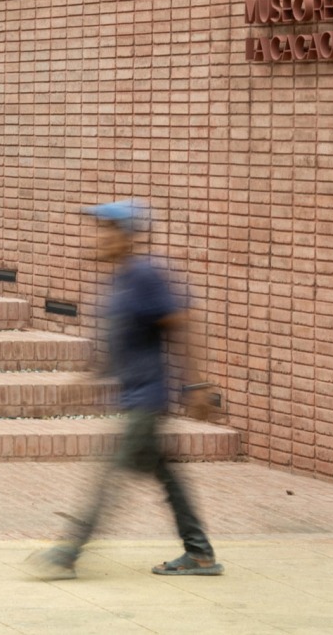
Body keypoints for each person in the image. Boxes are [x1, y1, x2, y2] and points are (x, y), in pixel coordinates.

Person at [32, 198, 223, 579]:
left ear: (130, 236)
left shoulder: (146, 275)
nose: (99, 236)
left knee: (110, 470)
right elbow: (117, 345)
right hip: (135, 396)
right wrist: (86, 380)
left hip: (147, 400)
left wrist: (197, 386)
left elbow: (182, 325)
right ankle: (200, 553)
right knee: (167, 475)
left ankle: (68, 552)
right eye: (99, 227)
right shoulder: (117, 282)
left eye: (108, 229)